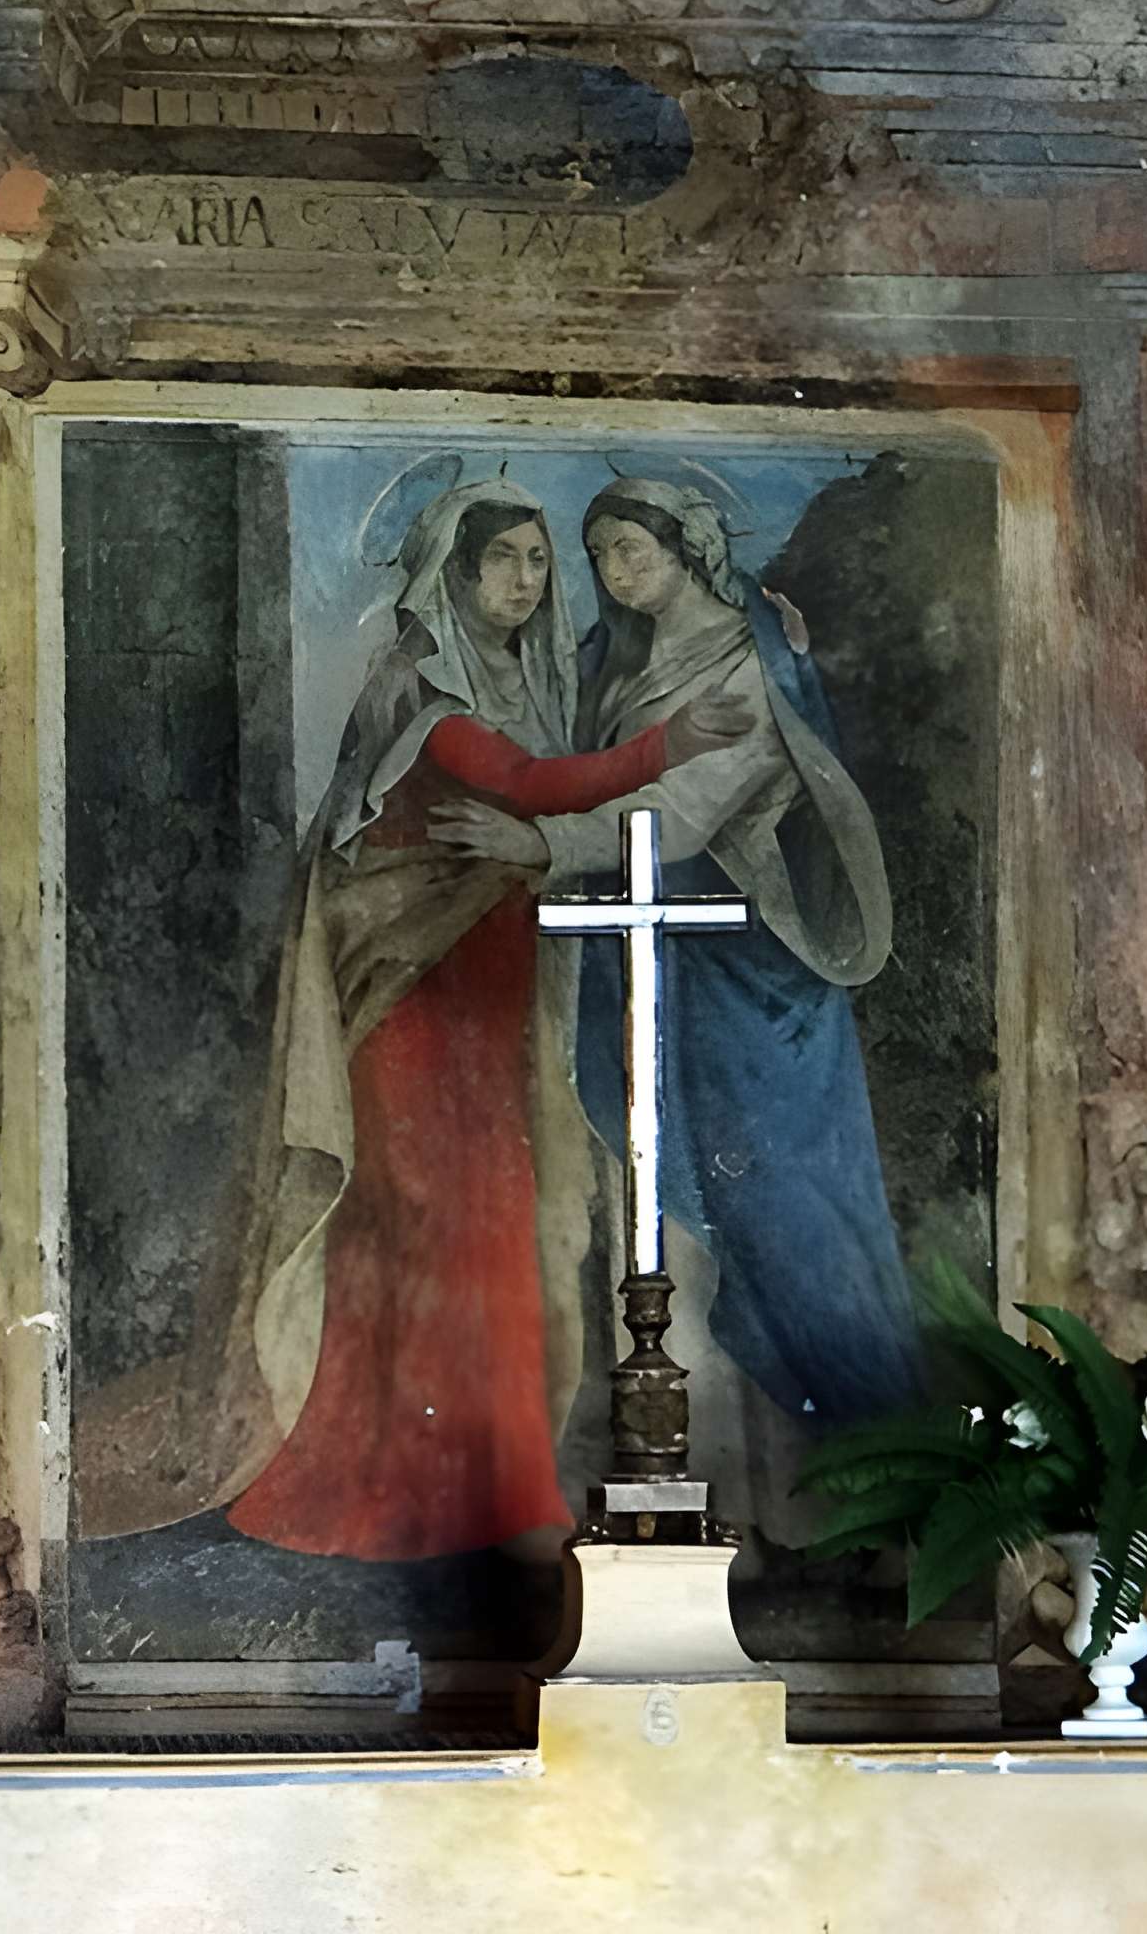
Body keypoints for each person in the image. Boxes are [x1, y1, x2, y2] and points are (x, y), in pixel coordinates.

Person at [215, 480, 750, 1562]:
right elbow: (530, 782)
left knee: (500, 1227)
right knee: (416, 1225)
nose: (525, 579)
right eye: (503, 557)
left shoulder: (531, 680)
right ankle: (389, 1479)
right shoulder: (419, 682)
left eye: (538, 561)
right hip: (407, 1005)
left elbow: (541, 794)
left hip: (491, 999)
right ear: (452, 574)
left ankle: (501, 1487)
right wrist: (673, 743)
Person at [436, 477, 924, 1480]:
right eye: (602, 553)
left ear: (686, 545)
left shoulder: (752, 661)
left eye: (633, 549)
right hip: (645, 955)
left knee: (777, 1210)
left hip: (747, 970)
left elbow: (685, 813)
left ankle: (859, 1473)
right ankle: (716, 1485)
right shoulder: (611, 659)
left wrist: (534, 843)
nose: (616, 572)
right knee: (657, 1205)